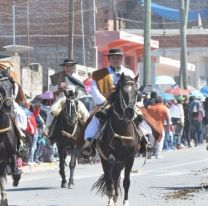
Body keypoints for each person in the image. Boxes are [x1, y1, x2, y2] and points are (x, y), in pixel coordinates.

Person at [83, 48, 138, 148]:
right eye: (113, 57)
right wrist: (103, 102)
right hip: (107, 103)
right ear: (109, 59)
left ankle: (144, 141)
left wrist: (132, 103)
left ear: (121, 59)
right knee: (96, 118)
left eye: (118, 57)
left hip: (127, 104)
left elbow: (135, 88)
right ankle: (89, 143)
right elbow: (94, 90)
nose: (115, 59)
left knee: (141, 117)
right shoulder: (99, 74)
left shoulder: (129, 73)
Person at [47, 59, 89, 143]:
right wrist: (58, 87)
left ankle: (86, 136)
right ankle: (49, 134)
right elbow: (50, 89)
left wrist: (74, 92)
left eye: (70, 66)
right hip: (62, 100)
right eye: (67, 66)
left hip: (74, 100)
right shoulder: (57, 76)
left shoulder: (77, 77)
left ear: (73, 67)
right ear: (64, 67)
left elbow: (83, 91)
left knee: (86, 115)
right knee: (51, 112)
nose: (69, 67)